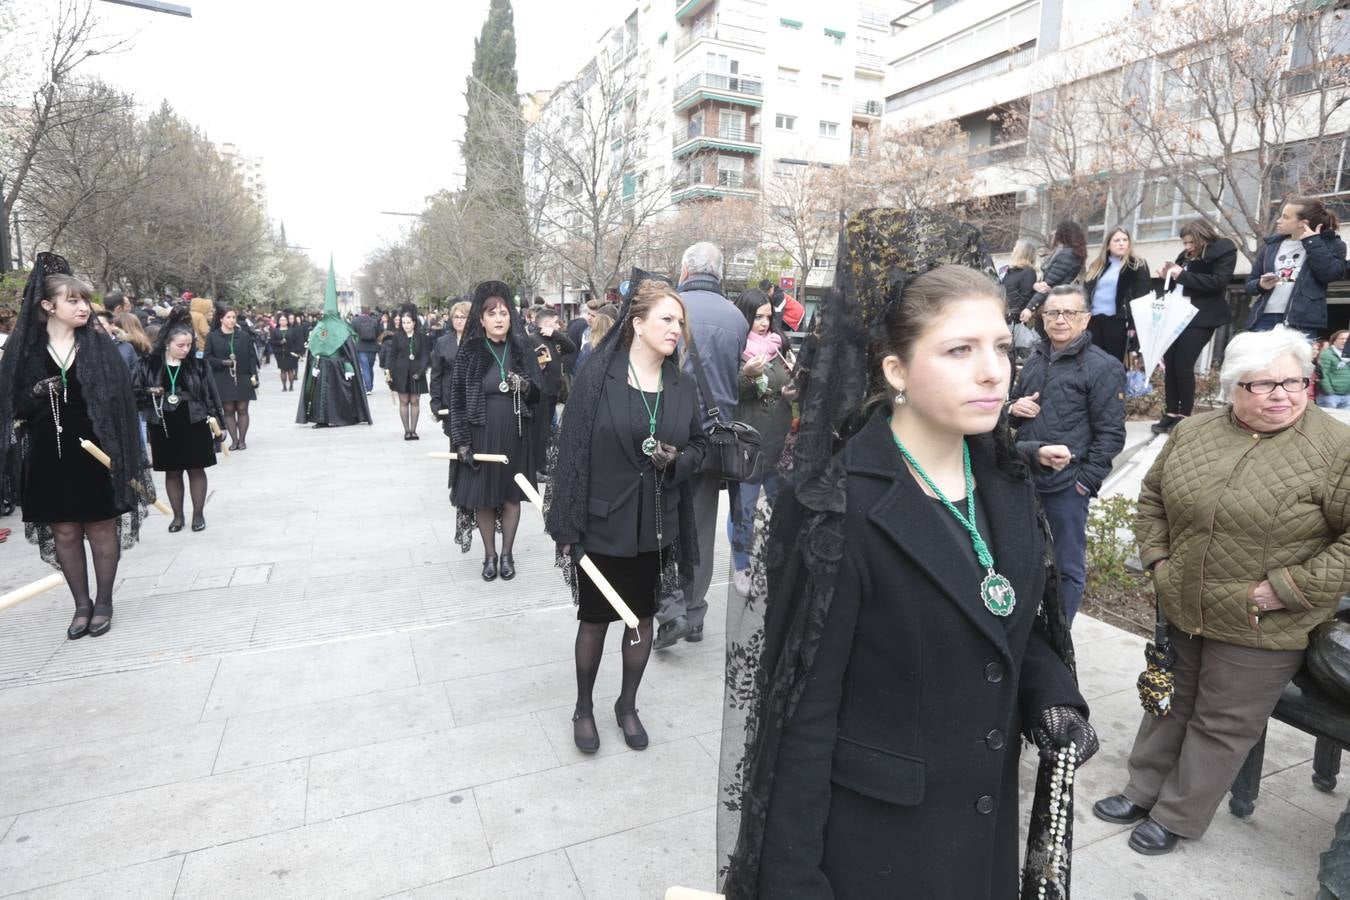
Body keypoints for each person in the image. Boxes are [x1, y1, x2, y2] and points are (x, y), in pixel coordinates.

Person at [719, 242, 1096, 898]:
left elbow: (1002, 617)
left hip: (981, 840)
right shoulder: (836, 509)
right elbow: (800, 724)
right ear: (895, 369)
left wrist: (1051, 691)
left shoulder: (1004, 480)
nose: (993, 373)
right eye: (960, 350)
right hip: (879, 855)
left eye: (1003, 347)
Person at [1094, 326, 1350, 855]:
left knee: (1223, 721)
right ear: (1234, 387)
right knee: (1167, 702)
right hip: (1185, 597)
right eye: (1264, 384)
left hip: (1265, 618)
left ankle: (1178, 815)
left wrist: (1287, 588)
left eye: (1294, 381)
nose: (1282, 394)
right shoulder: (1194, 434)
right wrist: (1160, 562)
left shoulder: (1337, 450)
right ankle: (1142, 790)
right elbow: (1153, 502)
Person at [546, 275, 708, 753]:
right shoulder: (600, 375)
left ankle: (627, 705)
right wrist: (566, 524)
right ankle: (583, 707)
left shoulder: (682, 384)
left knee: (641, 620)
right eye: (667, 319)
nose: (676, 328)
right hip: (601, 525)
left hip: (655, 527)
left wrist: (678, 460)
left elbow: (700, 447)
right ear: (637, 323)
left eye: (680, 321)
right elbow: (571, 451)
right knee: (595, 620)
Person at [0, 253, 154, 639]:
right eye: (73, 300)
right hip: (48, 454)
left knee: (101, 526)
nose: (84, 307)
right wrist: (36, 393)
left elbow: (122, 403)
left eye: (85, 300)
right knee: (65, 531)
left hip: (96, 451)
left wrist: (121, 455)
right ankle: (80, 605)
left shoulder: (99, 347)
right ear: (48, 305)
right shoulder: (25, 353)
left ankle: (104, 602)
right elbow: (10, 405)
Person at [1009, 285, 1127, 623]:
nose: (1060, 320)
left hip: (1067, 485)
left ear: (1086, 318)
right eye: (1052, 313)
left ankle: (1058, 639)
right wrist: (1014, 407)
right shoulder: (1033, 359)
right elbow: (1011, 413)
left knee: (1066, 569)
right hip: (1025, 476)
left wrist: (1084, 483)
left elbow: (1111, 435)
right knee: (1022, 560)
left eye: (1069, 313)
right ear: (1042, 318)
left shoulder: (1102, 367)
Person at [655, 240, 750, 650]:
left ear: (684, 269)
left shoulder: (671, 309)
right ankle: (694, 613)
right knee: (702, 528)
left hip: (669, 435)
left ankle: (670, 609)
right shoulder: (735, 316)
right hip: (716, 439)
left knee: (661, 524)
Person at [449, 281, 542, 582]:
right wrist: (461, 440)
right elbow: (457, 400)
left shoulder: (520, 348)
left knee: (511, 496)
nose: (499, 319)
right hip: (480, 435)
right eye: (493, 314)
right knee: (484, 497)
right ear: (482, 319)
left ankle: (507, 554)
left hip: (514, 435)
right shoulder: (471, 351)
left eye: (504, 313)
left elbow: (537, 393)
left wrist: (524, 386)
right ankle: (489, 555)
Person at [728, 288, 796, 598]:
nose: (765, 323)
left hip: (779, 443)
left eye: (768, 317)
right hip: (749, 444)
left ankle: (779, 561)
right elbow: (730, 393)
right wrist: (746, 375)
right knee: (744, 509)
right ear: (745, 316)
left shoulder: (780, 346)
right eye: (758, 317)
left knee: (782, 506)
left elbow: (785, 387)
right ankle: (742, 565)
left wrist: (792, 391)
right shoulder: (736, 348)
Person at [135, 308, 223, 533]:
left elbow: (211, 395)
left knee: (196, 469)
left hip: (194, 421)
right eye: (180, 345)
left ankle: (198, 514)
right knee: (172, 472)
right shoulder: (149, 364)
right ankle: (177, 516)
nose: (186, 350)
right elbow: (134, 393)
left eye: (189, 345)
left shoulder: (198, 365)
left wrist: (218, 424)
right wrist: (149, 392)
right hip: (163, 423)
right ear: (167, 343)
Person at [1153, 218, 1238, 435]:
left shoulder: (1224, 249)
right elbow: (1180, 283)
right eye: (1185, 243)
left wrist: (1182, 275)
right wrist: (1168, 278)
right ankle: (1170, 413)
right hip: (1176, 314)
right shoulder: (1184, 256)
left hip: (1201, 316)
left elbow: (1218, 282)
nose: (1188, 247)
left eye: (1191, 242)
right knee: (1171, 363)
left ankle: (1184, 417)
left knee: (1183, 363)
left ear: (1203, 236)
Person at [1245, 198, 1347, 339]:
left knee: (1293, 361)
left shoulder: (1332, 244)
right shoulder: (1271, 246)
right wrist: (1260, 285)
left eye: (1285, 217)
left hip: (1301, 321)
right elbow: (1250, 284)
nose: (1278, 220)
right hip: (1264, 318)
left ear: (1302, 223)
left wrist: (1313, 242)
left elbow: (1330, 274)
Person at [296, 265, 372, 428]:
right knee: (320, 394)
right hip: (322, 366)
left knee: (337, 394)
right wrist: (313, 365)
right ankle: (321, 419)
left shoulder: (341, 328)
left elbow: (349, 351)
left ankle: (340, 417)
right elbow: (313, 349)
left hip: (337, 366)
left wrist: (348, 366)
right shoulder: (319, 327)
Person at [1083, 227, 1153, 364]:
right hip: (1093, 320)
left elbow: (1141, 297)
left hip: (1119, 321)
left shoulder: (1137, 264)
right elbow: (1086, 293)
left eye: (1125, 240)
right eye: (1117, 240)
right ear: (1108, 244)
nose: (1121, 243)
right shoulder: (1097, 265)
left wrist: (1134, 325)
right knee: (1092, 361)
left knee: (1113, 363)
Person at [527, 307, 577, 476]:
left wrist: (555, 334)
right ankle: (536, 467)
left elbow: (571, 348)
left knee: (546, 431)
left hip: (552, 393)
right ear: (547, 323)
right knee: (539, 432)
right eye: (556, 322)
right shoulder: (533, 340)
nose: (559, 324)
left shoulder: (554, 339)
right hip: (541, 393)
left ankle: (542, 464)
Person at [204, 305, 259, 451]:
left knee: (242, 408)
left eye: (234, 317)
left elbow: (252, 357)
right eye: (228, 317)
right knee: (228, 410)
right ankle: (234, 441)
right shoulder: (212, 336)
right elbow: (207, 358)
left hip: (242, 376)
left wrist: (254, 376)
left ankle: (242, 440)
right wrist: (222, 362)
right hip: (222, 377)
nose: (231, 320)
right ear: (221, 319)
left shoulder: (244, 335)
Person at [1021, 221, 1087, 321]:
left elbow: (1047, 286)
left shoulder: (1066, 255)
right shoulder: (1074, 254)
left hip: (1054, 305)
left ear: (1062, 235)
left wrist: (1030, 308)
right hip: (1062, 303)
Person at [382, 307, 431, 440]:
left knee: (414, 401)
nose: (406, 325)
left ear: (414, 322)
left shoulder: (421, 337)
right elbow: (392, 356)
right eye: (403, 323)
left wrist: (421, 372)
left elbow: (426, 356)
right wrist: (388, 372)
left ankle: (413, 431)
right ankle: (407, 431)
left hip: (417, 372)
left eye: (408, 322)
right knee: (404, 401)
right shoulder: (397, 337)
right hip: (400, 372)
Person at [429, 300, 469, 438]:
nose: (459, 321)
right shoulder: (442, 342)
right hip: (450, 400)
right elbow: (436, 375)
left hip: (474, 401)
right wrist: (436, 403)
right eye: (456, 317)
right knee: (455, 444)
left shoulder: (479, 341)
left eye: (463, 317)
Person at [1001, 238, 1038, 323]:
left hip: (1012, 320)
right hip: (1002, 314)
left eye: (1015, 248)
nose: (1013, 250)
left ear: (1021, 252)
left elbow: (1025, 297)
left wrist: (1011, 314)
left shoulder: (1028, 272)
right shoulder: (1011, 271)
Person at [269, 313, 305, 391]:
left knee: (290, 370)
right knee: (283, 370)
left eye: (284, 320)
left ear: (287, 321)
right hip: (280, 354)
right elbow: (272, 341)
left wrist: (298, 352)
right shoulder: (275, 331)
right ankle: (284, 386)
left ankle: (291, 386)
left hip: (291, 353)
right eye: (281, 320)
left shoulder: (292, 330)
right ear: (278, 321)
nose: (283, 321)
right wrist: (279, 342)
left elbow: (297, 341)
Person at [351, 307, 383, 392]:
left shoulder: (355, 321)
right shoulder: (374, 321)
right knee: (370, 367)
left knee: (365, 368)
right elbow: (379, 334)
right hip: (372, 348)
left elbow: (352, 334)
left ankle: (368, 388)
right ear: (369, 312)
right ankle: (370, 386)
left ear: (361, 311)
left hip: (361, 347)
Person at [1318, 330, 1350, 410]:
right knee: (1327, 421)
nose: (1345, 341)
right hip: (1331, 397)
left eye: (1347, 339)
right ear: (1334, 340)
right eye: (1342, 338)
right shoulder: (1327, 354)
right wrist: (1329, 392)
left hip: (1347, 395)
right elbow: (1322, 374)